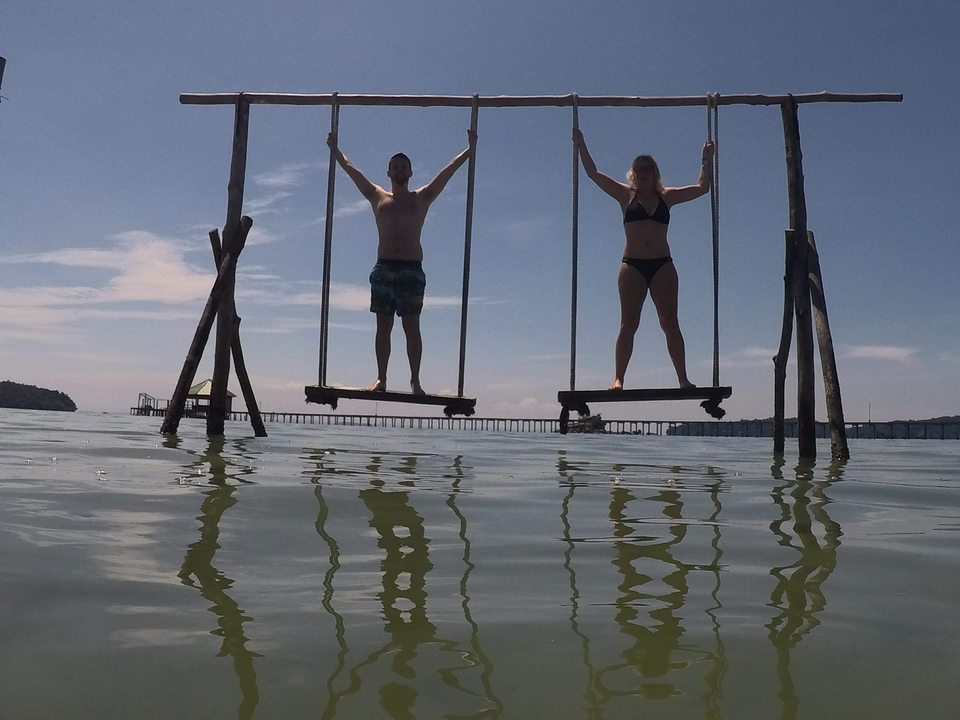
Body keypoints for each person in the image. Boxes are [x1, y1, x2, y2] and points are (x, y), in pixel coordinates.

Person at [327, 129, 477, 393]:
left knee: (411, 326)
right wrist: (336, 150)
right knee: (383, 326)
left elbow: (448, 171)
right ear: (388, 172)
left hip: (411, 269)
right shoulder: (377, 196)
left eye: (403, 167)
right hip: (383, 267)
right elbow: (351, 170)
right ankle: (381, 379)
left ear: (410, 173)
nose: (399, 170)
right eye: (395, 167)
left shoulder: (422, 198)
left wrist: (470, 149)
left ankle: (415, 382)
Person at [573, 129, 714, 391]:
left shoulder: (667, 197)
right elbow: (593, 174)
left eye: (648, 168)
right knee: (628, 324)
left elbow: (702, 188)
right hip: (632, 266)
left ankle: (683, 378)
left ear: (655, 172)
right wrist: (581, 145)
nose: (643, 173)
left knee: (670, 323)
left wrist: (706, 159)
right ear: (633, 174)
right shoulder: (625, 195)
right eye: (639, 169)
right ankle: (619, 379)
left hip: (662, 265)